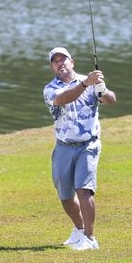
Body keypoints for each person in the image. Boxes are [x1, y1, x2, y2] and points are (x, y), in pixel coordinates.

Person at [43, 46, 116, 251]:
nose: (60, 63)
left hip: (88, 144)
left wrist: (101, 88)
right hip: (64, 146)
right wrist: (86, 84)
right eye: (55, 61)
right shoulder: (51, 89)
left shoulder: (91, 82)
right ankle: (79, 229)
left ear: (72, 62)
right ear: (52, 68)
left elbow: (111, 101)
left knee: (84, 190)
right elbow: (63, 99)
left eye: (63, 59)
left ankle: (90, 238)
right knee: (65, 197)